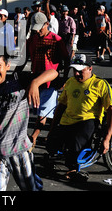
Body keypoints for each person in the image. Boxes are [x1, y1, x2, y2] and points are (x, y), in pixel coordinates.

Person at [0, 48, 58, 191]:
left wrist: (35, 83)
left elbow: (54, 72)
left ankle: (35, 184)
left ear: (7, 65)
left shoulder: (18, 81)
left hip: (20, 152)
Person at [45, 54, 112, 181]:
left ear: (90, 68)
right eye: (75, 71)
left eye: (80, 71)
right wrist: (52, 128)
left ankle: (72, 169)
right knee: (51, 143)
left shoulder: (100, 84)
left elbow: (111, 110)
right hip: (68, 120)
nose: (77, 74)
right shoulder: (70, 82)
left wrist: (107, 138)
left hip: (88, 120)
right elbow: (61, 106)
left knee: (74, 143)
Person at [15, 12, 69, 150]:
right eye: (35, 28)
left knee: (43, 112)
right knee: (32, 109)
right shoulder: (32, 39)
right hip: (35, 79)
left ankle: (34, 136)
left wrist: (64, 78)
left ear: (47, 24)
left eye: (40, 28)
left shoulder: (56, 39)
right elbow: (24, 58)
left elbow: (66, 59)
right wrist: (16, 73)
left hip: (51, 80)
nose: (38, 31)